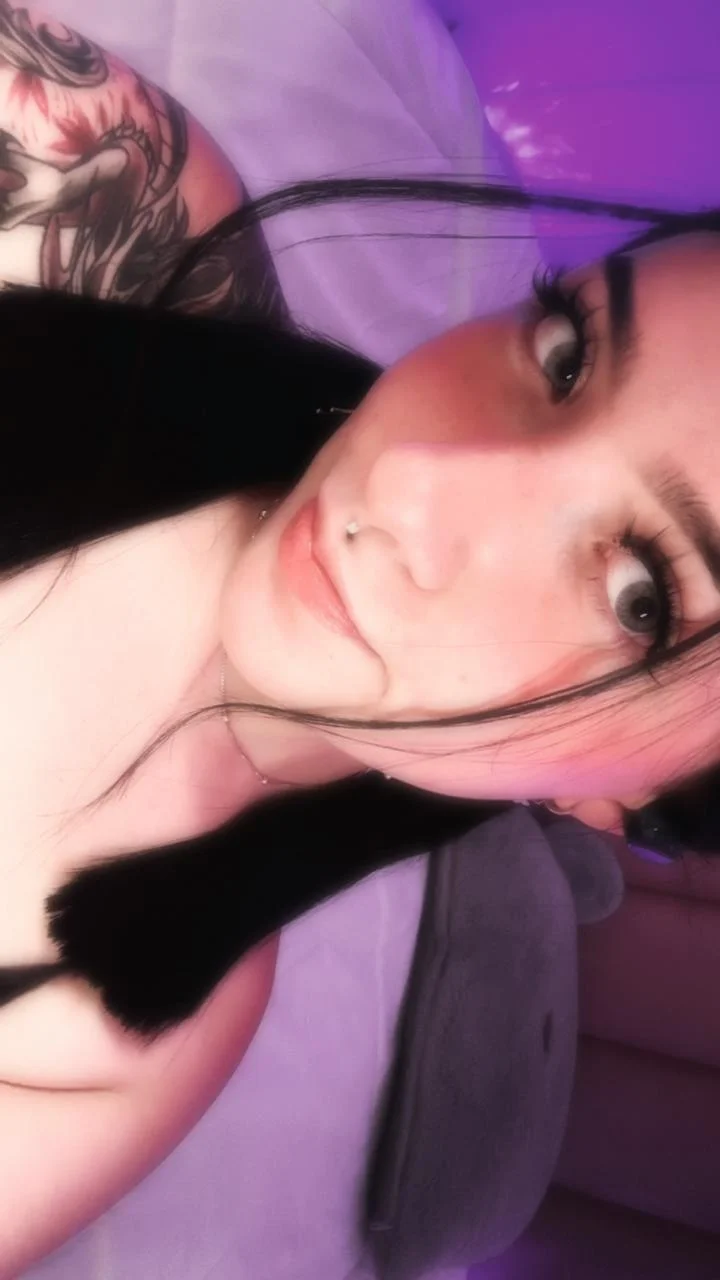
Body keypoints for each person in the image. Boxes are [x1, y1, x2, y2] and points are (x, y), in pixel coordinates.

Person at [0, 0, 719, 1272]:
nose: (418, 481)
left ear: (620, 800)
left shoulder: (126, 1036)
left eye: (639, 599)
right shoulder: (119, 219)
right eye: (564, 353)